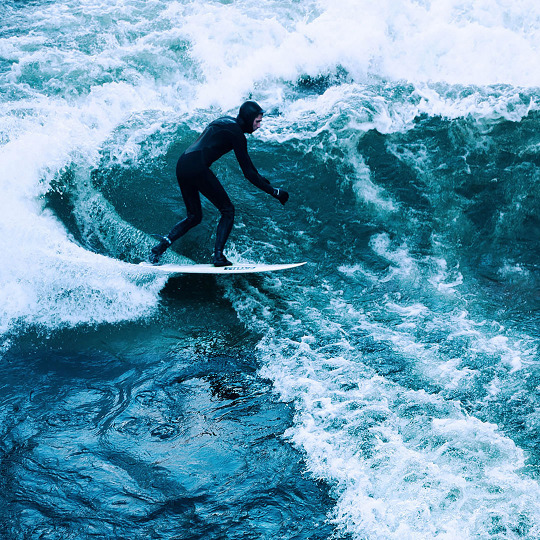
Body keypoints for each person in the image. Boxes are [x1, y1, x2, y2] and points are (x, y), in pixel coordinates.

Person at [149, 101, 289, 266]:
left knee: (194, 217)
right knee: (228, 210)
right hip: (197, 168)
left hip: (183, 164)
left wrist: (265, 182)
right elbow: (248, 174)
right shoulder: (236, 134)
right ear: (249, 118)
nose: (259, 126)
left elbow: (250, 168)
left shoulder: (227, 122)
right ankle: (218, 257)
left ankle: (159, 248)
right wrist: (274, 192)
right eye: (257, 121)